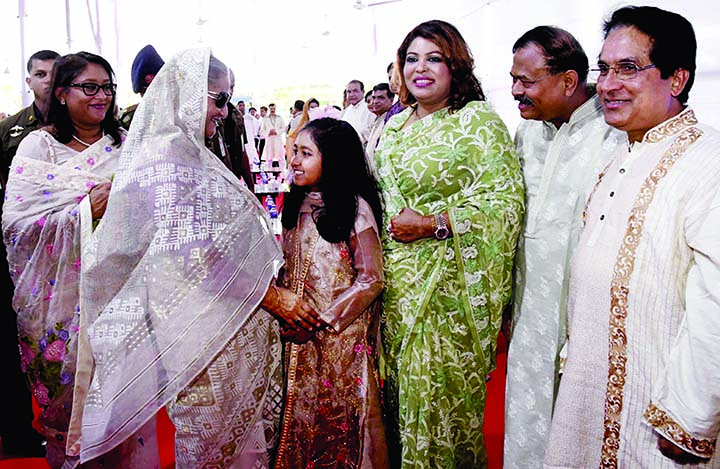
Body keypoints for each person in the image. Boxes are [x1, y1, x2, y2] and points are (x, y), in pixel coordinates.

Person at [74, 48, 311, 467]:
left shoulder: (189, 152)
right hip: (203, 331)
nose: (225, 111)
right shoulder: (164, 160)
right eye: (219, 99)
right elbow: (191, 255)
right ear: (186, 94)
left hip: (226, 321)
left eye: (229, 99)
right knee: (210, 445)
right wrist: (274, 300)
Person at [544, 6, 720, 468]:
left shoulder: (708, 161)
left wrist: (689, 417)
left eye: (628, 68)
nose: (607, 84)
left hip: (659, 414)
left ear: (676, 79)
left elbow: (716, 300)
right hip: (588, 391)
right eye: (603, 68)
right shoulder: (621, 154)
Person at [375, 19, 524, 468]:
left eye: (434, 58)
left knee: (441, 402)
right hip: (398, 290)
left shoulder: (476, 121)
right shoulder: (395, 127)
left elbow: (505, 204)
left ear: (454, 65)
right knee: (401, 399)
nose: (421, 68)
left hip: (448, 295)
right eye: (412, 59)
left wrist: (434, 224)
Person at [1, 51, 149, 468]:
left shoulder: (126, 143)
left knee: (123, 411)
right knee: (71, 414)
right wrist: (83, 213)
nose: (101, 96)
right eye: (90, 87)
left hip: (123, 292)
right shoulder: (38, 145)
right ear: (63, 93)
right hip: (62, 302)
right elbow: (15, 224)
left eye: (107, 87)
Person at [503, 26, 624, 469]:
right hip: (530, 312)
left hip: (587, 316)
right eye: (514, 78)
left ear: (569, 82)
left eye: (527, 81)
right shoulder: (526, 134)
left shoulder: (614, 135)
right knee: (528, 422)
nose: (516, 91)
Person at [270, 116, 389, 468]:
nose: (294, 161)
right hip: (298, 335)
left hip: (339, 338)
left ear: (332, 160)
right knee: (299, 416)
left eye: (305, 153)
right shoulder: (296, 205)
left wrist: (322, 320)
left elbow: (371, 279)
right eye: (294, 152)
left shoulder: (354, 210)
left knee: (340, 418)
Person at [0, 48, 59, 459]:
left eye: (53, 74)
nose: (45, 81)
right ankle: (21, 432)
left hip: (67, 251)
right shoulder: (11, 130)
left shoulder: (76, 124)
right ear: (29, 80)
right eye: (38, 74)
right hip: (20, 249)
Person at [207, 68, 254, 189]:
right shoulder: (209, 117)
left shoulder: (237, 116)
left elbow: (242, 151)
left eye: (232, 87)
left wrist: (250, 186)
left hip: (233, 181)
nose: (229, 92)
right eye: (227, 87)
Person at [118, 44, 164, 130]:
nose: (154, 95)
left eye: (159, 87)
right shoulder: (129, 119)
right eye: (147, 91)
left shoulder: (186, 114)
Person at [365, 82, 394, 170]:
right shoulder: (378, 118)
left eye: (381, 98)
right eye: (374, 98)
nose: (375, 101)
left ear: (391, 100)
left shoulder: (391, 120)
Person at [259, 102, 286, 167]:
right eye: (271, 108)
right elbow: (261, 131)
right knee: (269, 158)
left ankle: (283, 174)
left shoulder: (280, 118)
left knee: (280, 157)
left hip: (278, 140)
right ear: (269, 109)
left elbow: (284, 128)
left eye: (274, 108)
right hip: (269, 140)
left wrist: (276, 132)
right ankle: (270, 175)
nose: (272, 110)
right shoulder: (265, 119)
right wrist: (268, 132)